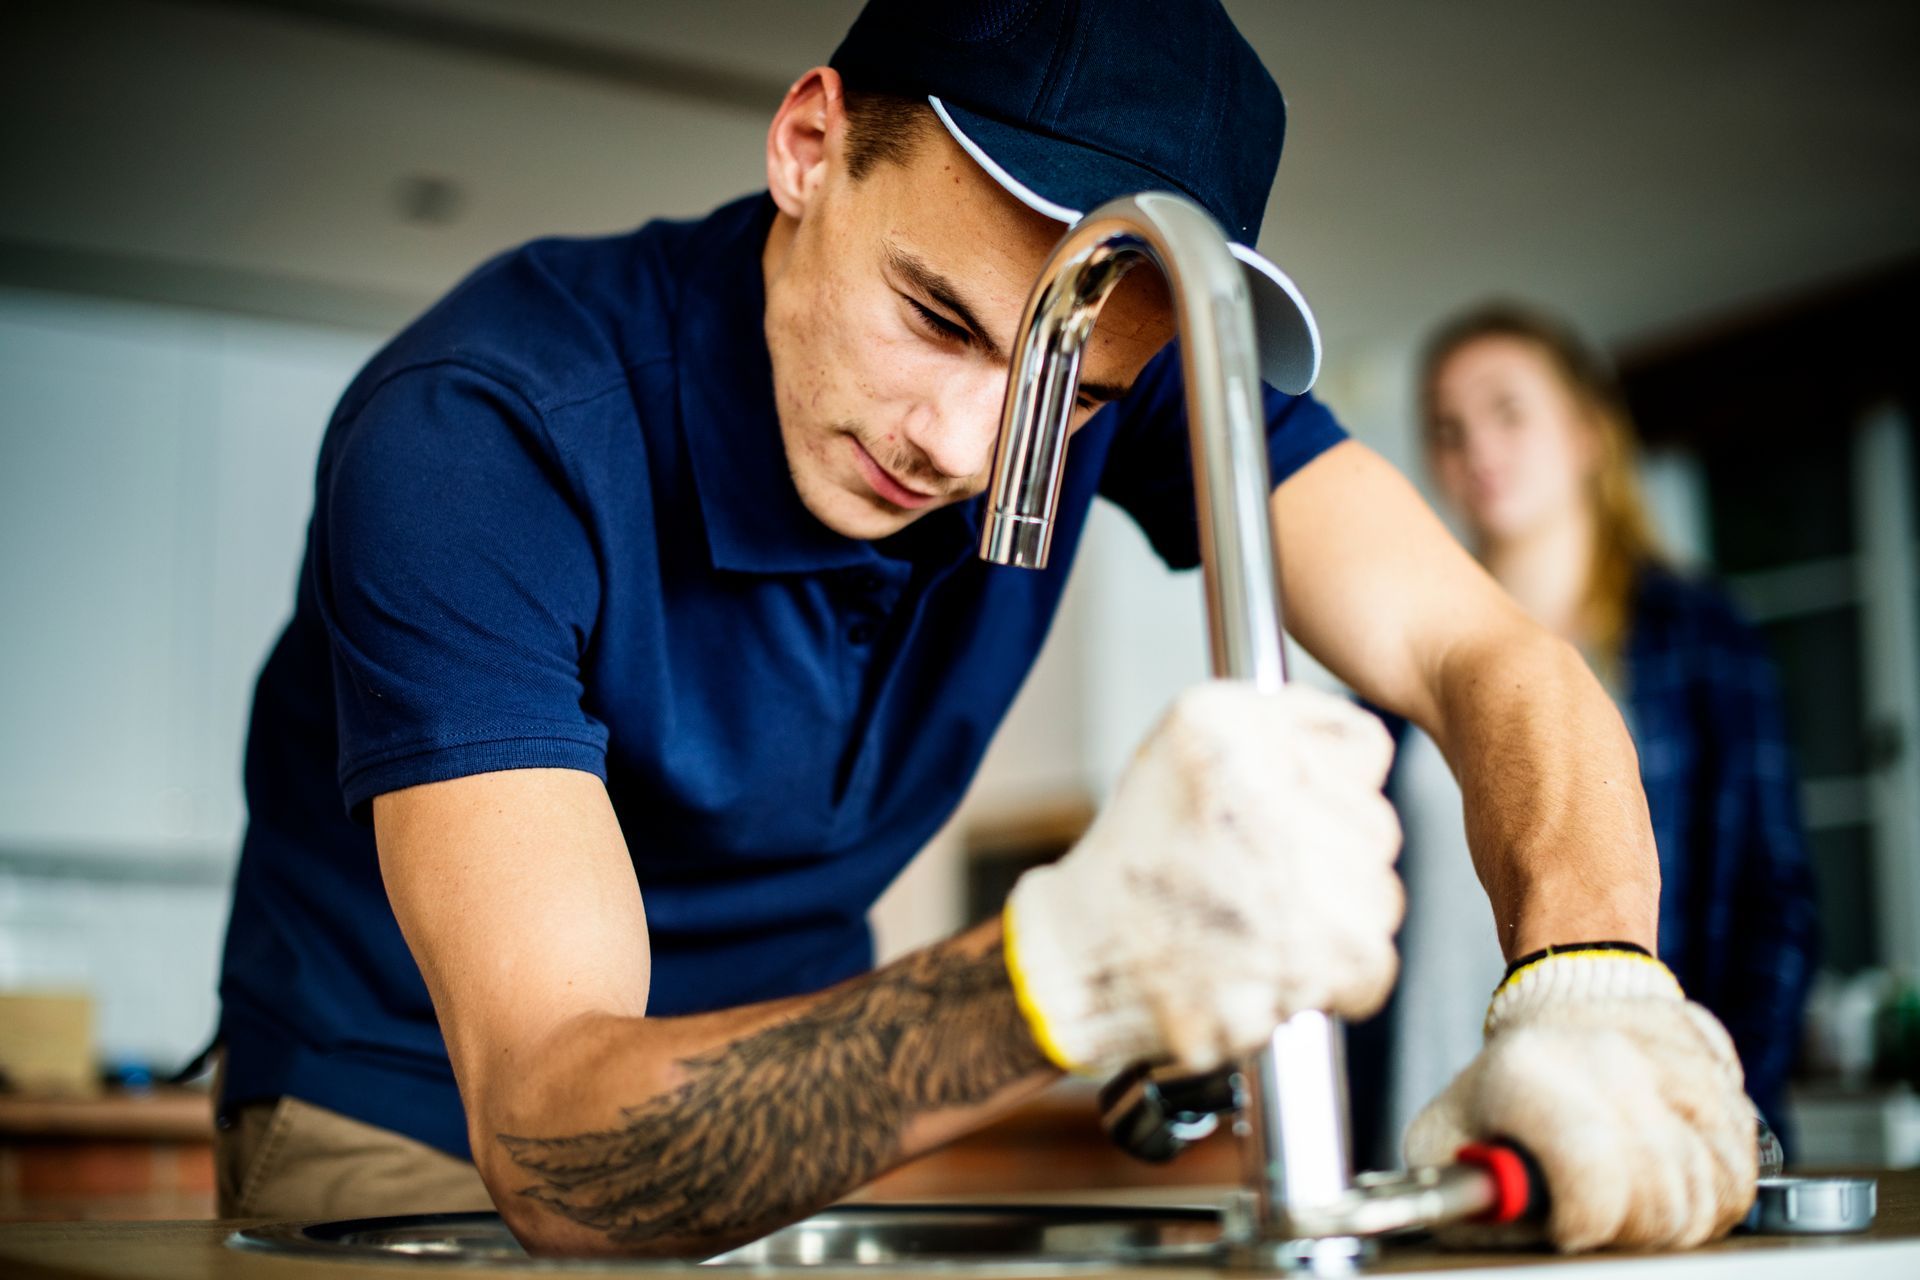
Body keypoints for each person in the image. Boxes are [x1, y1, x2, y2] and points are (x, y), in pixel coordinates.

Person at [215, 0, 1757, 1257]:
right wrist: (1065, 976)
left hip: (796, 1104)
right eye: (937, 319)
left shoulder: (1102, 370)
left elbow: (1481, 655)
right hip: (411, 1122)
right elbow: (553, 1130)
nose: (965, 444)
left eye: (1067, 397)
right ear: (810, 145)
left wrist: (1591, 978)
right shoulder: (484, 435)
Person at [1360, 301, 1816, 1162]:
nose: (1476, 448)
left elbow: (1774, 901)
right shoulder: (1399, 659)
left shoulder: (1700, 640)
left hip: (1633, 1126)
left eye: (1507, 410)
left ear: (1585, 433)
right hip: (1424, 1114)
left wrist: (1718, 1105)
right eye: (1447, 427)